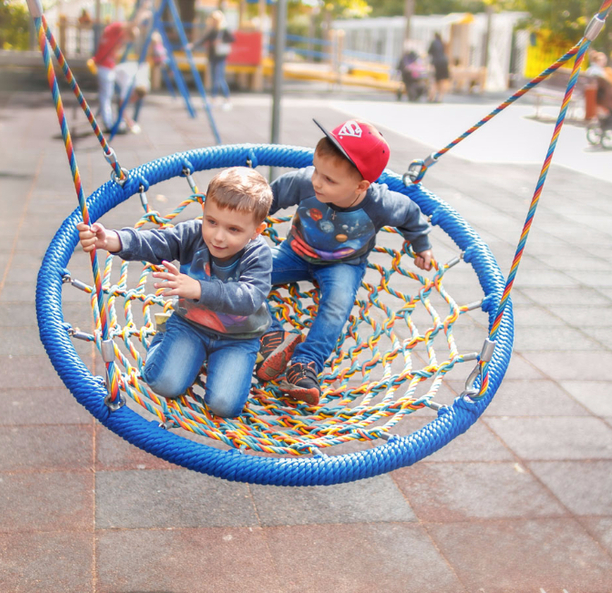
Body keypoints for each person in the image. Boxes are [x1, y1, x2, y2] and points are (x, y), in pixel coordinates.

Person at [255, 119, 434, 405]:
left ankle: (305, 364)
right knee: (244, 270)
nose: (317, 181)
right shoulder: (303, 182)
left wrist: (421, 245)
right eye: (316, 170)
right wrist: (248, 223)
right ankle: (273, 336)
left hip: (343, 265)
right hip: (295, 252)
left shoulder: (382, 204)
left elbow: (411, 213)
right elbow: (267, 200)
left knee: (337, 305)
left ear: (361, 186)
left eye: (329, 180)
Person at [76, 167, 274, 418]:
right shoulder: (193, 234)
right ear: (204, 210)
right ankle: (165, 337)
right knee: (164, 383)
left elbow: (249, 298)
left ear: (256, 231)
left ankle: (213, 360)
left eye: (233, 229)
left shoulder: (258, 254)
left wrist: (199, 288)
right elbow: (156, 242)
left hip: (239, 337)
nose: (218, 237)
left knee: (224, 406)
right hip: (191, 325)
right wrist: (112, 240)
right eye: (212, 222)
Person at [91, 21, 140, 133]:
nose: (126, 41)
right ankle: (109, 123)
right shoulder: (115, 31)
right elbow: (131, 25)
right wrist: (143, 13)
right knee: (106, 96)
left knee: (108, 95)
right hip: (104, 67)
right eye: (128, 38)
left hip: (107, 66)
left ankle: (111, 120)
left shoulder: (115, 35)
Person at [189, 10, 236, 110]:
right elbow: (203, 40)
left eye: (216, 20)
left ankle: (224, 99)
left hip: (221, 57)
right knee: (214, 78)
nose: (214, 21)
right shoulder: (212, 30)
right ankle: (216, 99)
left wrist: (221, 40)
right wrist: (193, 45)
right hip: (212, 56)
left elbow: (232, 39)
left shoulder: (224, 29)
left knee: (219, 79)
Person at [427, 33, 450, 103]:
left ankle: (431, 96)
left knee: (434, 80)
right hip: (444, 63)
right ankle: (440, 97)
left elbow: (429, 52)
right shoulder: (443, 43)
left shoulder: (433, 42)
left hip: (436, 63)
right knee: (442, 81)